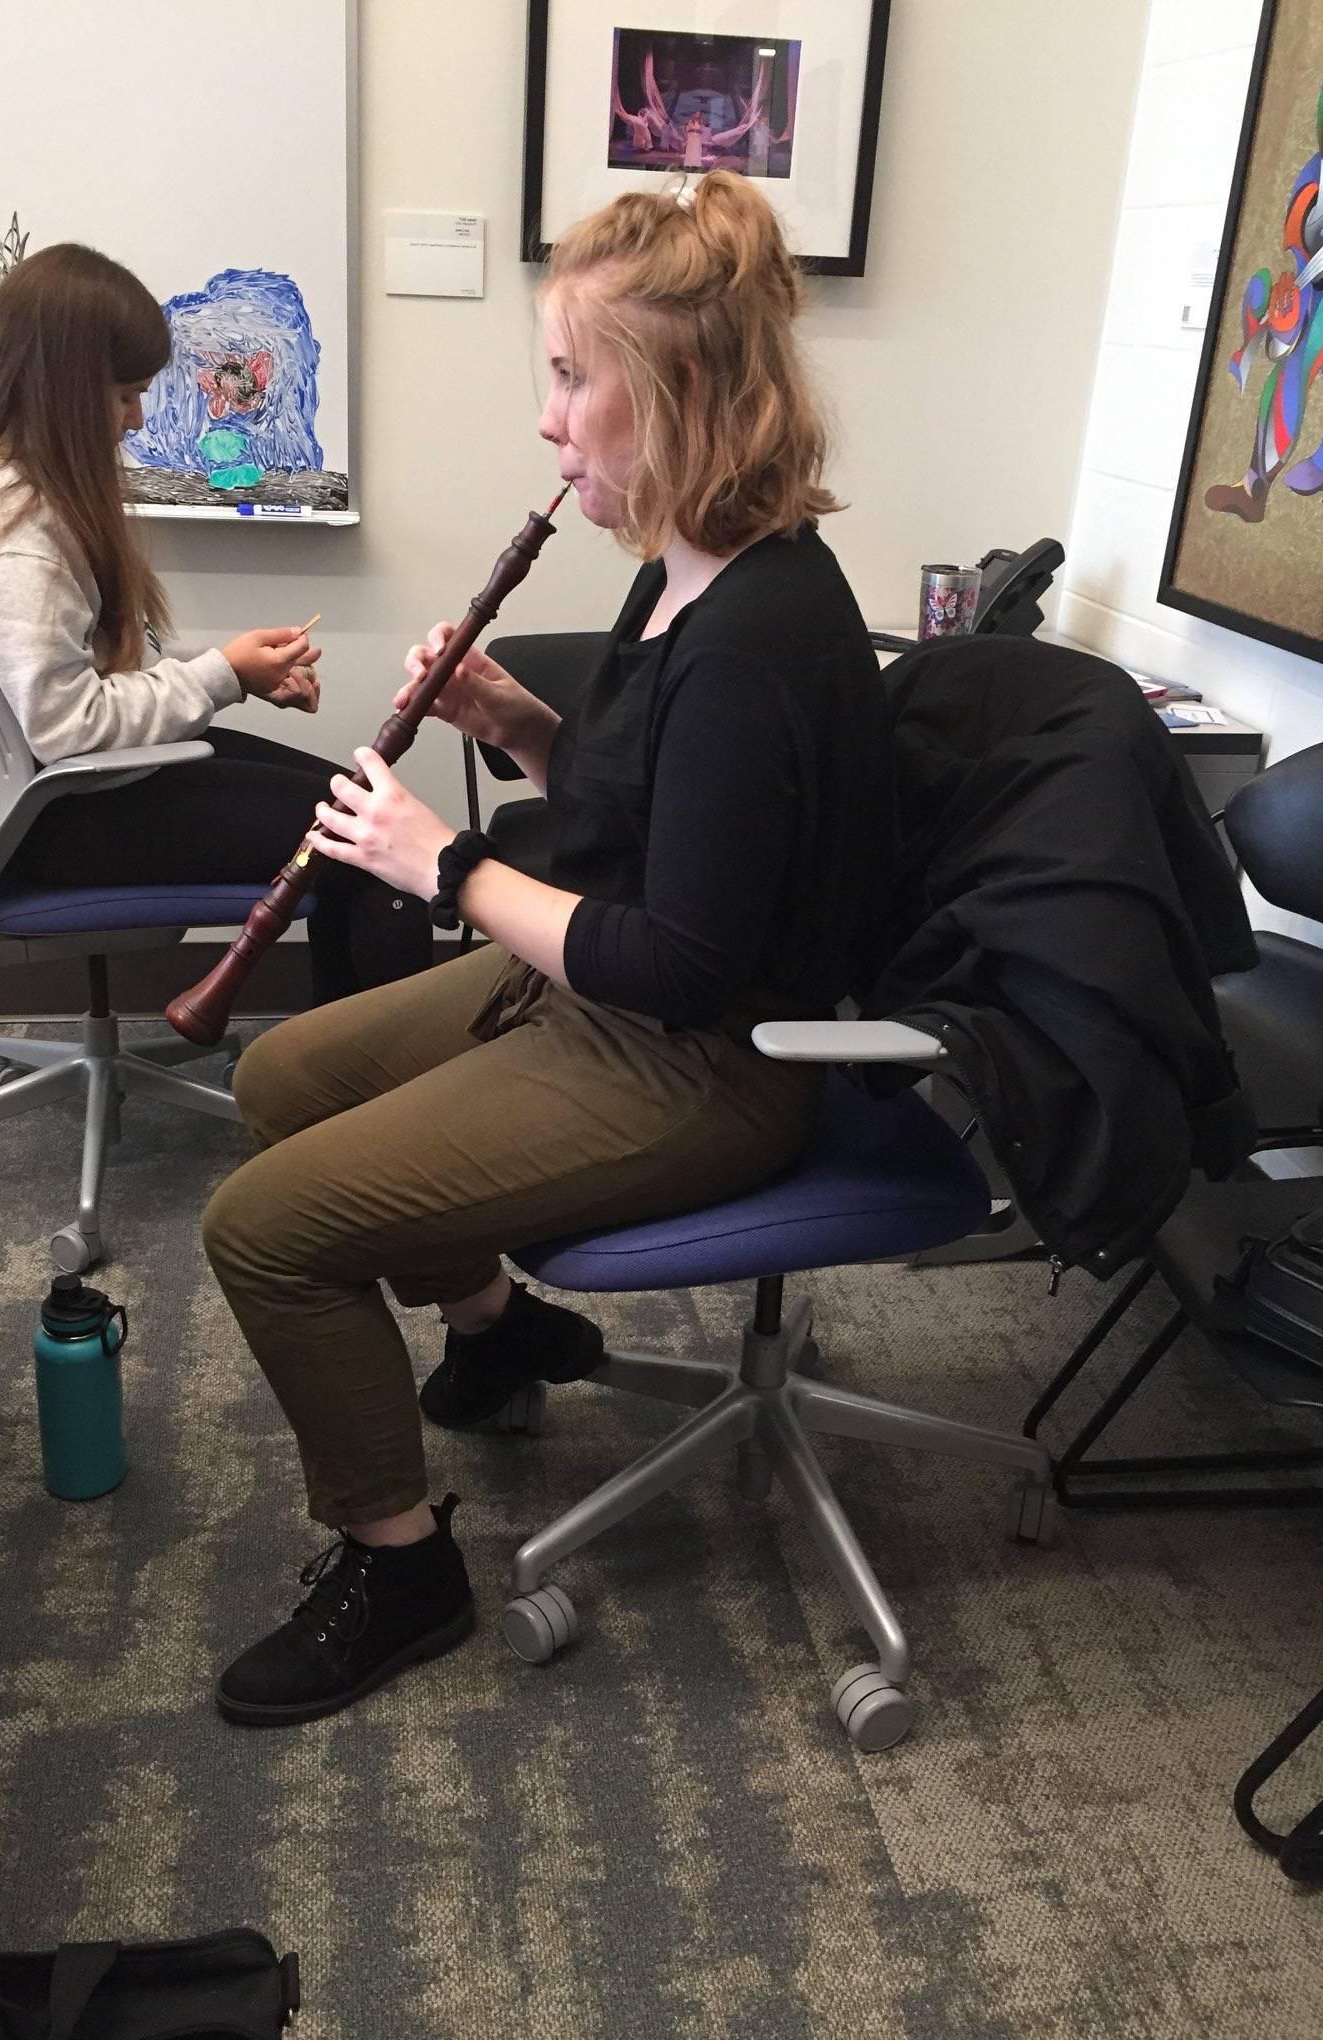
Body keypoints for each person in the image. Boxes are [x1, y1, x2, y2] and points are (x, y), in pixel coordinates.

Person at [202, 170, 893, 1725]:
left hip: (700, 1060)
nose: (549, 419)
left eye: (576, 378)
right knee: (284, 1081)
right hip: (602, 990)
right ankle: (498, 1332)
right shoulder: (684, 574)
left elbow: (678, 961)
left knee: (261, 1229)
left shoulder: (761, 637)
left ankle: (398, 1564)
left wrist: (440, 863)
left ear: (683, 391)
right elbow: (646, 819)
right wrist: (512, 723)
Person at [0, 242, 428, 1001]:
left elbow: (88, 676)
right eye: (123, 395)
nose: (136, 419)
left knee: (359, 808)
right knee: (374, 848)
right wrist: (222, 675)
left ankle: (331, 1068)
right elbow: (67, 723)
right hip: (59, 817)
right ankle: (358, 1091)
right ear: (60, 390)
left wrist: (231, 673)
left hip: (64, 793)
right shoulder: (9, 530)